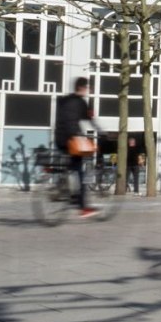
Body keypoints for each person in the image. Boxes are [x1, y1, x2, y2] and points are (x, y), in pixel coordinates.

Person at [53, 77, 97, 218]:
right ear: (83, 88)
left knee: (70, 166)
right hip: (72, 139)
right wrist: (102, 132)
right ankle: (83, 207)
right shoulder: (81, 103)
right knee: (80, 172)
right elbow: (90, 121)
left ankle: (65, 188)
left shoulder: (64, 100)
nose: (88, 90)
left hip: (59, 139)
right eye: (87, 87)